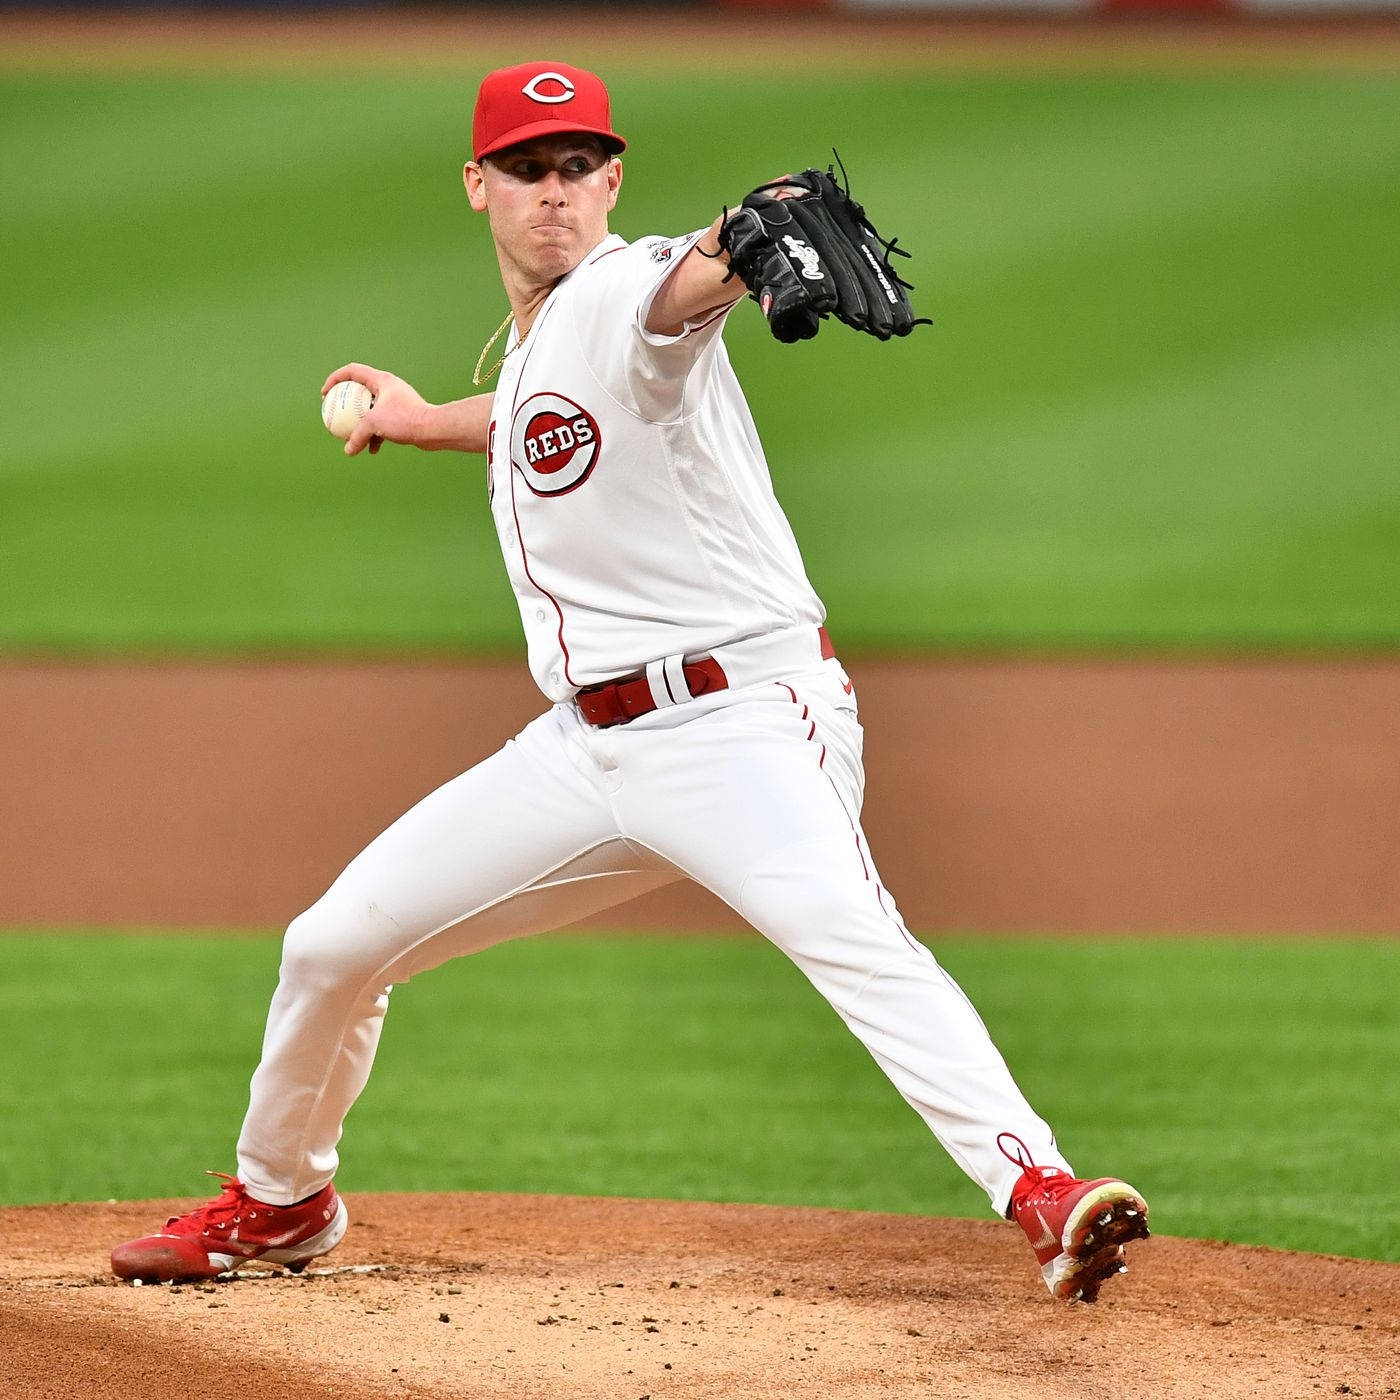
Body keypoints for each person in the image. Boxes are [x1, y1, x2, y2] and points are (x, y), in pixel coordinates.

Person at [111, 61, 1148, 1303]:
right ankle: (281, 1201)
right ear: (477, 187)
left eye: (573, 168)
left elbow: (681, 287)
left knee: (845, 930)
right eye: (523, 169)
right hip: (582, 753)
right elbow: (538, 413)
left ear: (611, 182)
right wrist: (418, 414)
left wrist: (743, 234)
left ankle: (1039, 1187)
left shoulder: (621, 287)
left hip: (740, 724)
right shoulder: (551, 339)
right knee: (331, 944)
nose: (551, 192)